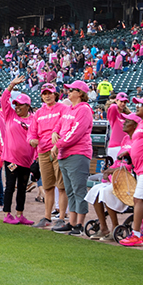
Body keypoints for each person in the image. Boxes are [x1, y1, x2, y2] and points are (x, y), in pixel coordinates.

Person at [51, 80, 93, 236]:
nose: (68, 92)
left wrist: (58, 144)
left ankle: (79, 224)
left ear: (80, 93)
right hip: (66, 153)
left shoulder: (84, 110)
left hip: (78, 153)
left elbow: (75, 133)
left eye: (71, 90)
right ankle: (72, 222)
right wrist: (55, 132)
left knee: (78, 190)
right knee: (70, 190)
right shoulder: (69, 109)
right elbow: (59, 124)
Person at [85, 115, 136, 240]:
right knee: (95, 190)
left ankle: (115, 226)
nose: (123, 123)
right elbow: (118, 162)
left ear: (135, 125)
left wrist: (114, 170)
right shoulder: (125, 139)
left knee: (106, 191)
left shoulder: (138, 141)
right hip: (116, 177)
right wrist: (109, 170)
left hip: (129, 180)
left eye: (127, 122)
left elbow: (133, 165)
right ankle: (103, 227)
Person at [119, 96, 143, 247]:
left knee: (139, 199)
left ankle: (136, 234)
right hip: (141, 166)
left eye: (141, 105)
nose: (137, 106)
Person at [28, 83, 69, 229]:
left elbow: (66, 127)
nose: (47, 96)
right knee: (47, 186)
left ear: (55, 94)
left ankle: (62, 218)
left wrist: (57, 144)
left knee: (62, 185)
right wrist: (32, 139)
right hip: (43, 151)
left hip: (58, 149)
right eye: (44, 93)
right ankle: (47, 217)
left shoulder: (63, 109)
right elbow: (32, 131)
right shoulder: (39, 112)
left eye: (49, 93)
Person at [0, 76, 35, 225]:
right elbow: (3, 100)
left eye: (21, 105)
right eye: (16, 104)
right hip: (11, 159)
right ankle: (7, 214)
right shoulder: (10, 115)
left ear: (28, 106)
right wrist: (11, 85)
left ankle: (20, 214)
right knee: (10, 185)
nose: (17, 107)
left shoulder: (34, 119)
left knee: (22, 187)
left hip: (26, 161)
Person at [106, 92, 131, 160]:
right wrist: (115, 102)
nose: (123, 104)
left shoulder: (127, 115)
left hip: (126, 146)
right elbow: (113, 107)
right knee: (114, 169)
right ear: (116, 101)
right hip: (115, 146)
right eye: (121, 101)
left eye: (125, 102)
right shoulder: (114, 115)